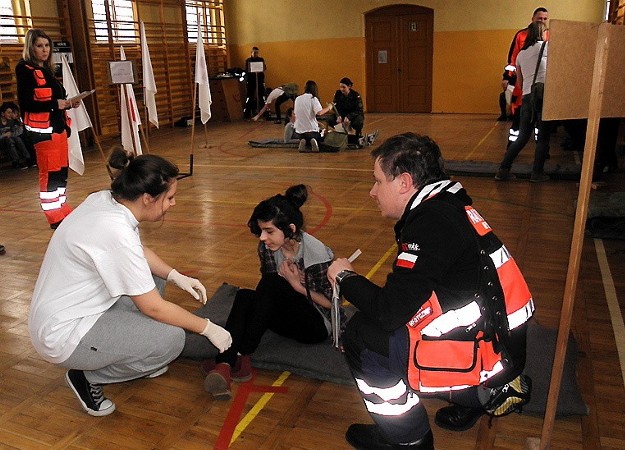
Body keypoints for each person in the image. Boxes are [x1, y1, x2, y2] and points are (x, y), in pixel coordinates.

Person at [327, 132, 534, 449]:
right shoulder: (447, 204)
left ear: (404, 182)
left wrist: (344, 277)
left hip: (491, 352)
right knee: (401, 314)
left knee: (364, 336)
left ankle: (408, 438)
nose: (372, 191)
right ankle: (480, 394)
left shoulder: (431, 223)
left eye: (378, 181)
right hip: (500, 339)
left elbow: (387, 311)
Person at [28, 148, 232, 417]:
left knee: (153, 277)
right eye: (169, 198)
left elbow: (137, 254)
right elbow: (154, 308)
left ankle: (139, 352)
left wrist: (175, 276)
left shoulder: (106, 201)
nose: (172, 204)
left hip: (75, 309)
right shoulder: (114, 230)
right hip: (63, 334)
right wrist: (208, 328)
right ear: (148, 198)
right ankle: (87, 378)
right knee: (171, 341)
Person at [202, 184, 339, 399]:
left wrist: (298, 286)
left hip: (315, 326)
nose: (262, 238)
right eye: (261, 231)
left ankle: (241, 352)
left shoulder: (317, 255)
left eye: (269, 231)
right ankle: (227, 363)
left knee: (272, 283)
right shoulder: (267, 247)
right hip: (287, 315)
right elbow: (267, 296)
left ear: (291, 229)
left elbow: (334, 305)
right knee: (245, 296)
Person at [16, 29, 80, 229]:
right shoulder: (25, 69)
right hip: (43, 132)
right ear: (31, 47)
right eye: (39, 46)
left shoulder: (48, 70)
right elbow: (27, 104)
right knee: (50, 172)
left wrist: (69, 103)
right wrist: (56, 104)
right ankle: (53, 215)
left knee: (61, 171)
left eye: (46, 46)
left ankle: (61, 207)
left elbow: (54, 100)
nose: (44, 50)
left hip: (59, 129)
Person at [495, 22, 551, 182]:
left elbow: (519, 82)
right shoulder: (547, 48)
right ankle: (537, 173)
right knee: (543, 138)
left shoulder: (521, 54)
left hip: (527, 96)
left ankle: (503, 170)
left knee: (522, 136)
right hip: (543, 96)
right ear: (542, 33)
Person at [501, 7, 548, 145]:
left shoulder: (549, 36)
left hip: (541, 86)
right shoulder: (521, 35)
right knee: (519, 117)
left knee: (541, 121)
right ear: (533, 19)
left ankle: (541, 148)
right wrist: (507, 77)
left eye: (545, 19)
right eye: (540, 18)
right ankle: (512, 145)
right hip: (524, 85)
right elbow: (513, 59)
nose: (542, 21)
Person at [293, 80, 332, 153]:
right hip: (312, 131)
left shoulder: (297, 99)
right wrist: (329, 107)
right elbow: (319, 113)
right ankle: (313, 140)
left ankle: (303, 140)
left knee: (304, 135)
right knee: (322, 133)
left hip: (299, 132)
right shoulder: (313, 99)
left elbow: (297, 115)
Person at [328, 77, 365, 143]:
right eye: (340, 87)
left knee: (358, 121)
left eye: (344, 87)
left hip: (353, 115)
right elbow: (335, 106)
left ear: (349, 87)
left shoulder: (355, 95)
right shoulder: (338, 94)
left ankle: (358, 134)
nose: (342, 89)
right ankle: (340, 133)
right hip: (342, 114)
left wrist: (349, 117)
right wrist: (338, 116)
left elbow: (359, 110)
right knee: (330, 119)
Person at [0, 102, 33, 169]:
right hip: (2, 141)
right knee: (10, 140)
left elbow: (13, 133)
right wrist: (4, 135)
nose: (10, 115)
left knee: (17, 139)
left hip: (10, 139)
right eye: (8, 113)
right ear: (3, 113)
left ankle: (28, 158)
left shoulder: (11, 122)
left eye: (11, 112)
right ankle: (16, 161)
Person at [244, 47, 266, 119]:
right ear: (251, 52)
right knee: (250, 96)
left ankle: (263, 113)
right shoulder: (248, 60)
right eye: (254, 52)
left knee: (261, 95)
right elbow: (246, 70)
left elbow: (264, 68)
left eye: (257, 52)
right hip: (251, 80)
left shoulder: (260, 60)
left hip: (259, 79)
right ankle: (248, 113)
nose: (256, 54)